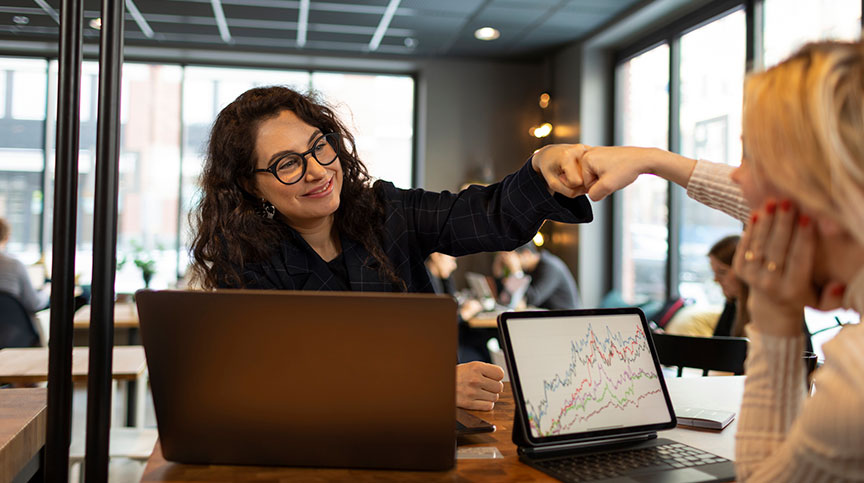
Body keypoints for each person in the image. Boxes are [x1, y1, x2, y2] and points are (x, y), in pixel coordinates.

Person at [189, 86, 593, 411]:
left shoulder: (387, 212)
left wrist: (545, 167)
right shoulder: (246, 265)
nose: (317, 170)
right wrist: (430, 387)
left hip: (429, 441)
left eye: (319, 146)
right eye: (287, 164)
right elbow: (285, 385)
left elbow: (489, 215)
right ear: (250, 185)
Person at [575, 40, 864, 481]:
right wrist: (653, 160)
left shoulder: (855, 379)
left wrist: (775, 320)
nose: (737, 176)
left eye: (751, 157)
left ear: (819, 189)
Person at [425, 252, 489, 363]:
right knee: (484, 353)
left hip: (452, 342)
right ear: (436, 255)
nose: (454, 266)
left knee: (484, 342)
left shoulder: (438, 279)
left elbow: (453, 301)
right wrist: (463, 314)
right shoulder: (426, 285)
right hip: (443, 349)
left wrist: (447, 277)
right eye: (452, 260)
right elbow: (437, 324)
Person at [492, 243, 581, 310]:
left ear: (526, 254)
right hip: (546, 318)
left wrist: (516, 272)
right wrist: (498, 275)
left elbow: (531, 299)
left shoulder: (550, 267)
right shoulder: (527, 270)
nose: (509, 262)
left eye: (512, 258)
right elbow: (505, 299)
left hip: (565, 319)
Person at [0, 218, 50, 313]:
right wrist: (46, 292)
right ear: (7, 237)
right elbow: (34, 304)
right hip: (10, 321)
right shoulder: (14, 265)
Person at [707, 235, 750, 337]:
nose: (716, 279)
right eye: (714, 272)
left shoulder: (760, 310)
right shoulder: (732, 303)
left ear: (744, 271)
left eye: (722, 272)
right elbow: (718, 342)